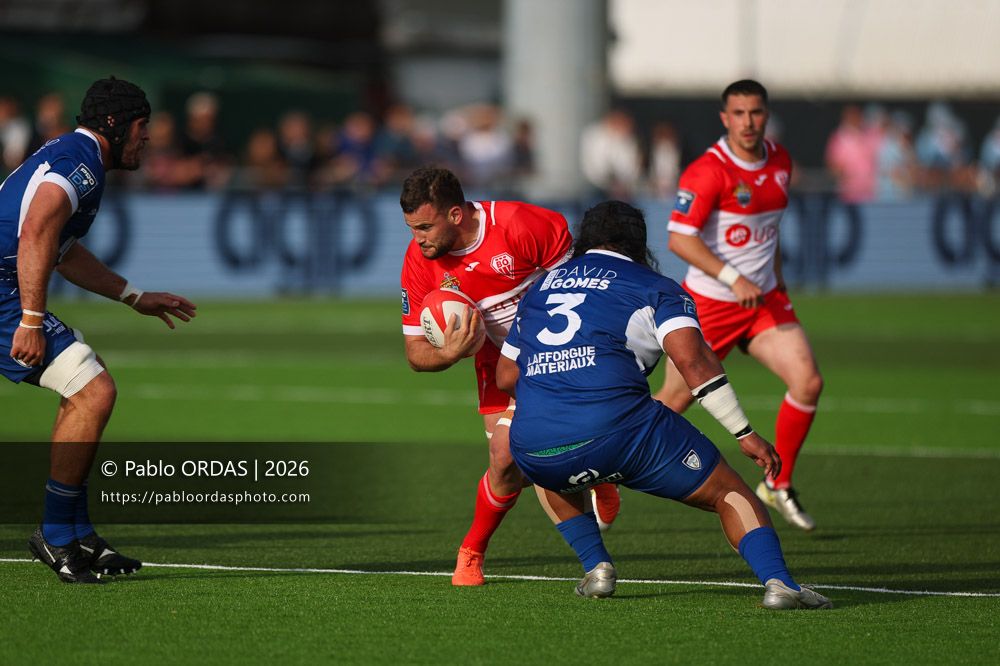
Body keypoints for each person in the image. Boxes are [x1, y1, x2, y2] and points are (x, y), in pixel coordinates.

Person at [496, 201, 832, 610]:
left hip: (535, 444)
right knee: (729, 491)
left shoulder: (539, 291)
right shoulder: (655, 285)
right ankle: (780, 584)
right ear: (640, 243)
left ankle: (597, 568)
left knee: (548, 468)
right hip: (623, 429)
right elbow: (694, 362)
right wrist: (744, 432)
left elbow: (506, 377)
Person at [0, 76, 197, 584]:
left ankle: (76, 529)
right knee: (93, 392)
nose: (147, 137)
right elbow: (37, 232)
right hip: (1, 293)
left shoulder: (75, 154)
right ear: (116, 125)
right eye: (141, 126)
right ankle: (57, 534)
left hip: (5, 285)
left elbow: (61, 251)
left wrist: (134, 296)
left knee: (90, 386)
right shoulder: (79, 163)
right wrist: (31, 320)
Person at [398, 166, 619, 586]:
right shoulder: (419, 260)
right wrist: (448, 353)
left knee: (511, 452)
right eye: (412, 228)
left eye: (425, 226)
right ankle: (594, 483)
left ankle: (475, 551)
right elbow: (415, 354)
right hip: (496, 366)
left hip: (556, 355)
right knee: (506, 468)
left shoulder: (523, 225)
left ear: (457, 215)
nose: (418, 238)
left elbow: (586, 292)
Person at [651, 80, 823, 532]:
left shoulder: (780, 160)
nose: (749, 122)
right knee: (672, 400)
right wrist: (734, 277)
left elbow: (769, 228)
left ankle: (777, 483)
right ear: (725, 118)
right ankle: (606, 476)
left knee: (807, 382)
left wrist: (775, 277)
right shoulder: (708, 171)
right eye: (739, 114)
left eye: (756, 113)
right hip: (712, 303)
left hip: (764, 300)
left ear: (766, 115)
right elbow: (679, 238)